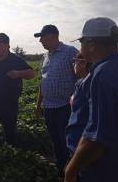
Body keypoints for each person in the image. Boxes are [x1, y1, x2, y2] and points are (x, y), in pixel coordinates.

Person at [64, 17, 118, 182]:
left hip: (102, 170)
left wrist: (71, 170)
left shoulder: (103, 76)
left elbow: (96, 139)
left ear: (92, 44)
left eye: (82, 43)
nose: (80, 48)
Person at [34, 24, 78, 174]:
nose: (40, 41)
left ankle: (71, 172)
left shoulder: (70, 52)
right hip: (49, 107)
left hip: (65, 106)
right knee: (55, 141)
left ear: (53, 37)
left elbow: (82, 78)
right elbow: (43, 82)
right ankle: (61, 168)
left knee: (67, 142)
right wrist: (38, 105)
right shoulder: (45, 57)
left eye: (42, 38)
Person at [66, 52, 92, 155]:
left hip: (81, 144)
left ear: (83, 64)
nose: (73, 65)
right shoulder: (81, 83)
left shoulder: (88, 86)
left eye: (75, 62)